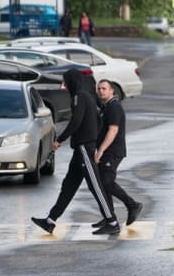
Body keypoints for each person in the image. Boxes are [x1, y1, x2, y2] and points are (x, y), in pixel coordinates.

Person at [31, 69, 120, 235]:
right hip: (80, 149)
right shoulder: (83, 96)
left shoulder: (79, 97)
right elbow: (98, 120)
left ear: (72, 81)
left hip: (84, 148)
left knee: (95, 186)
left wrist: (60, 139)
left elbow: (76, 122)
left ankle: (112, 221)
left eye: (65, 82)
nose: (63, 86)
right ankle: (50, 220)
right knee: (68, 186)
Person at [92, 79, 143, 233]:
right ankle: (109, 217)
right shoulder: (106, 107)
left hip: (112, 151)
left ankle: (132, 205)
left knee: (107, 182)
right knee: (103, 183)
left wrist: (100, 150)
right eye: (99, 88)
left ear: (112, 91)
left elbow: (113, 131)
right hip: (108, 151)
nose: (101, 91)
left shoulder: (114, 107)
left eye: (104, 88)